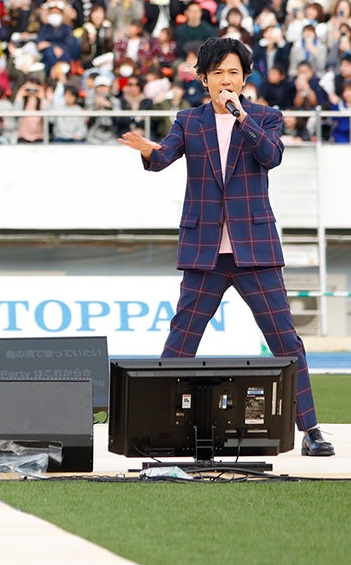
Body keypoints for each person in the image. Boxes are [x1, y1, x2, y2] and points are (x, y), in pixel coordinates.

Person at [119, 36, 334, 457]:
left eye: (233, 72)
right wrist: (148, 152)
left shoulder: (265, 116)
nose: (225, 79)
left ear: (244, 77)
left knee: (286, 342)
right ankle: (158, 427)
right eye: (217, 73)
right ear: (203, 78)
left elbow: (271, 156)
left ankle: (311, 430)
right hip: (205, 250)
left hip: (254, 249)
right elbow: (164, 159)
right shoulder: (189, 120)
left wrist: (241, 118)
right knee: (180, 341)